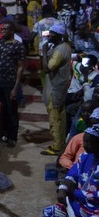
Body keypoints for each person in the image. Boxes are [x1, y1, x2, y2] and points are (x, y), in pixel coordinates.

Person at [0, 21, 26, 147]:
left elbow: (21, 67)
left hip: (10, 81)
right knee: (2, 108)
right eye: (2, 29)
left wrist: (16, 87)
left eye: (6, 29)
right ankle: (3, 133)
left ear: (12, 31)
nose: (3, 31)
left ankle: (12, 136)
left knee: (11, 110)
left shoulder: (18, 45)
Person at [41, 23, 73, 156]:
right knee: (61, 116)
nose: (49, 36)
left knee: (54, 117)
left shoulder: (59, 50)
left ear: (59, 36)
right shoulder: (66, 46)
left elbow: (48, 67)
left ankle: (56, 146)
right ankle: (61, 143)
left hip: (55, 88)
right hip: (62, 87)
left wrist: (43, 52)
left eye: (52, 34)